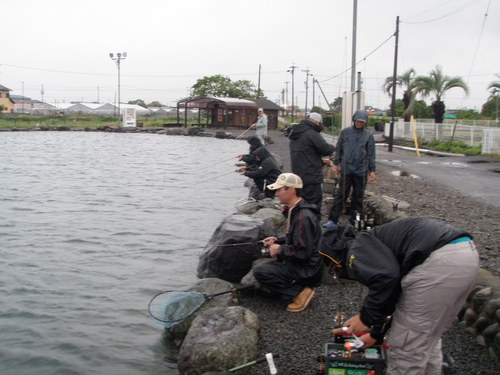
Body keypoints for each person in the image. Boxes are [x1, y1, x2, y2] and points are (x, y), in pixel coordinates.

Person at [329, 217, 479, 375]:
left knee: (407, 349)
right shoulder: (376, 240)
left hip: (439, 262)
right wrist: (376, 334)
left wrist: (365, 319)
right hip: (466, 255)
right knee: (427, 337)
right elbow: (396, 299)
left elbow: (387, 280)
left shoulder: (359, 249)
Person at [253, 173, 323, 312]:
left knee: (261, 271)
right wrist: (277, 240)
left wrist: (279, 250)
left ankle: (301, 292)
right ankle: (297, 288)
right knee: (265, 266)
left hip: (308, 269)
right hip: (307, 265)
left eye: (279, 190)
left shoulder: (303, 217)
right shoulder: (297, 210)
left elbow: (303, 252)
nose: (276, 194)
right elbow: (298, 238)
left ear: (290, 190)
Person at [324, 109, 376, 228]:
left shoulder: (368, 135)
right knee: (341, 195)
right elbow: (339, 149)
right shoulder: (345, 132)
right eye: (358, 121)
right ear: (354, 120)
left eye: (362, 122)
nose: (360, 123)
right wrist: (336, 164)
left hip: (361, 170)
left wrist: (372, 170)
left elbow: (371, 154)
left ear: (365, 122)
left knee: (358, 197)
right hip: (347, 169)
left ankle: (355, 221)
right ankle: (333, 220)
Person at [288, 112, 335, 212]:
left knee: (300, 203)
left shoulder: (296, 133)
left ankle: (299, 224)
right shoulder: (311, 133)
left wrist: (321, 162)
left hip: (297, 176)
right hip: (311, 177)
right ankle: (311, 225)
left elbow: (306, 154)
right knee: (312, 205)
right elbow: (325, 149)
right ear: (316, 122)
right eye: (320, 123)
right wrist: (333, 146)